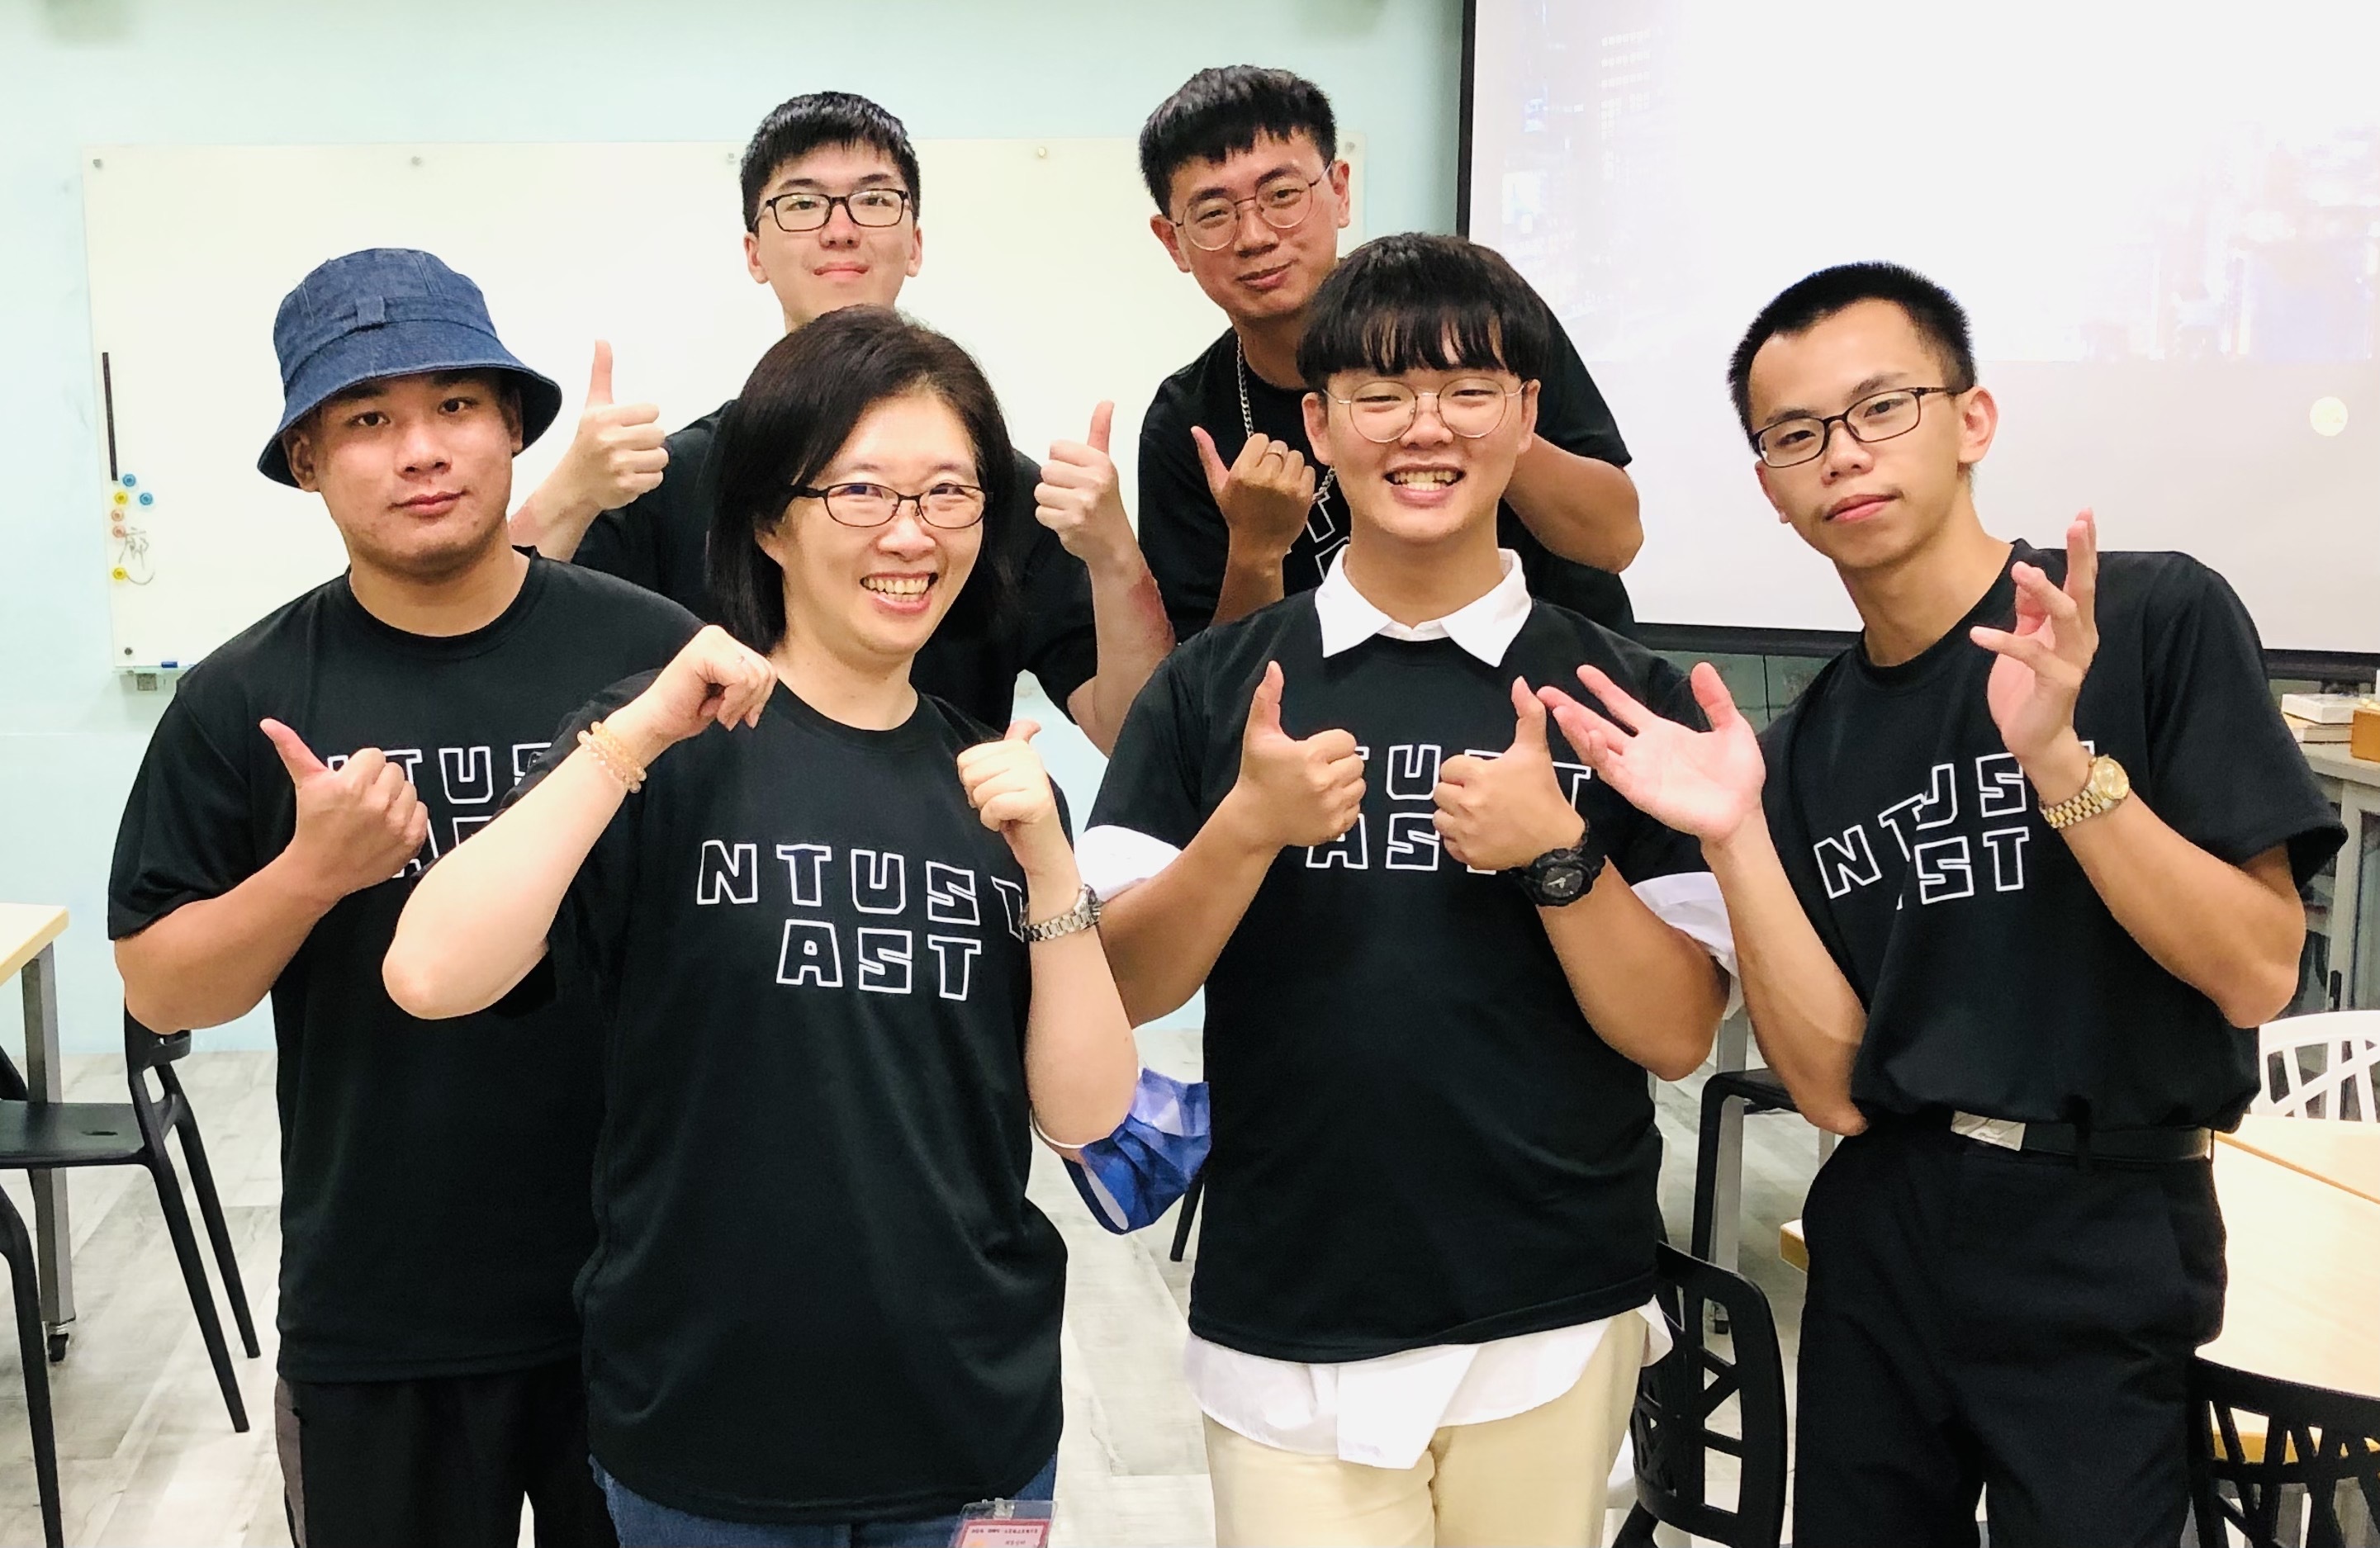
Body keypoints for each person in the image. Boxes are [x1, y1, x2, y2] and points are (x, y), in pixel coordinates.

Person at [1540, 262, 2344, 1546]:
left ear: (1969, 420)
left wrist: (2062, 767)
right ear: (1770, 489)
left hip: (2103, 1222)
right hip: (1881, 1229)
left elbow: (2254, 973)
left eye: (1881, 408)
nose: (1842, 456)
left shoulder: (2142, 621)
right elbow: (1832, 1087)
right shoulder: (1805, 748)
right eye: (1796, 435)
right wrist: (1735, 834)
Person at [386, 305, 1140, 1546]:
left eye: (951, 494)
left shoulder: (1000, 788)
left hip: (972, 1431)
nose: (911, 533)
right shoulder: (667, 742)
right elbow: (427, 971)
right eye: (861, 491)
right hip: (708, 1429)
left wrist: (1051, 865)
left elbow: (1085, 1113)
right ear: (768, 518)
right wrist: (627, 739)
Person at [1079, 233, 1734, 1548]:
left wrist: (1560, 854)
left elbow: (1674, 1029)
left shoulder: (1622, 692)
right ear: (1318, 424)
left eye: (1467, 390)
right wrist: (1246, 830)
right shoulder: (1218, 687)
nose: (1423, 428)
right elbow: (1116, 989)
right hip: (1288, 1294)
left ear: (1525, 414)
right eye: (1379, 396)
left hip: (1550, 1298)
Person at [109, 249, 699, 1548]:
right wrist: (309, 873)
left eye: (455, 407)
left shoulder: (646, 653)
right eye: (368, 420)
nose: (420, 450)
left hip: (651, 1287)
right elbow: (160, 985)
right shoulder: (242, 694)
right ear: (310, 459)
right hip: (384, 1308)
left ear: (511, 429)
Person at [510, 90, 1171, 750]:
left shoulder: (993, 487)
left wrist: (1116, 556)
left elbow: (1138, 740)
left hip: (942, 839)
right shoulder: (668, 481)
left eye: (875, 200)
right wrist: (568, 495)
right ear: (753, 252)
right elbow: (505, 666)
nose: (840, 228)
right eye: (801, 204)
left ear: (914, 244)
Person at [1134, 65, 1643, 641]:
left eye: (1281, 196)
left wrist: (1478, 412)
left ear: (1340, 190)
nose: (1255, 236)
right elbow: (1210, 690)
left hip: (1561, 693)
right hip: (1335, 724)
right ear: (1173, 240)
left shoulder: (1478, 318)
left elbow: (1616, 540)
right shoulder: (1188, 423)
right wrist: (1256, 548)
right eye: (1214, 214)